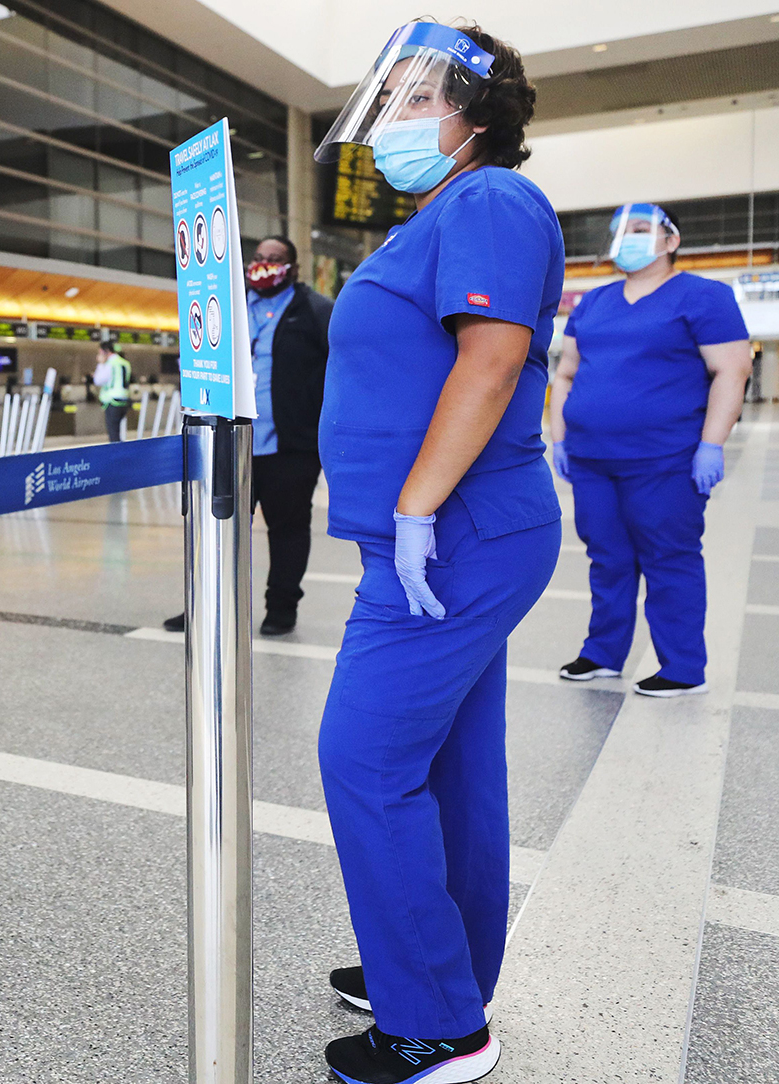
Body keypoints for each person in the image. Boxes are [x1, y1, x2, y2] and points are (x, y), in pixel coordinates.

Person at [310, 23, 561, 1083]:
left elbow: (494, 358)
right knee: (450, 765)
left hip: (451, 533)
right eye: (393, 99)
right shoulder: (441, 212)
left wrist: (414, 505)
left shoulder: (490, 200)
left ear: (476, 119)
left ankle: (439, 1027)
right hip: (440, 534)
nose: (396, 120)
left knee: (362, 760)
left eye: (419, 101)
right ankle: (439, 967)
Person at [548, 204, 749, 696]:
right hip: (594, 459)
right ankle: (602, 654)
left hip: (665, 459)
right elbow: (566, 373)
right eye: (620, 231)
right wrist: (559, 437)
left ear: (671, 240)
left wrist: (711, 445)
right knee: (607, 557)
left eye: (639, 229)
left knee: (669, 556)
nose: (626, 239)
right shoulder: (593, 303)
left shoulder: (705, 297)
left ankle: (682, 667)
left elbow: (732, 370)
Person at [163, 236, 333, 636]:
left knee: (288, 530)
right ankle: (201, 607)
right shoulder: (230, 307)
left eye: (275, 259)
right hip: (229, 441)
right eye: (258, 258)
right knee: (213, 526)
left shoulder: (313, 311)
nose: (264, 264)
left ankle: (281, 608)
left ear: (292, 267)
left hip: (289, 447)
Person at [92, 341, 131, 441]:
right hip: (124, 400)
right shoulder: (125, 363)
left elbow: (98, 380)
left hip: (112, 401)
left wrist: (100, 364)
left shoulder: (110, 364)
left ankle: (118, 455)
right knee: (117, 431)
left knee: (113, 433)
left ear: (106, 351)